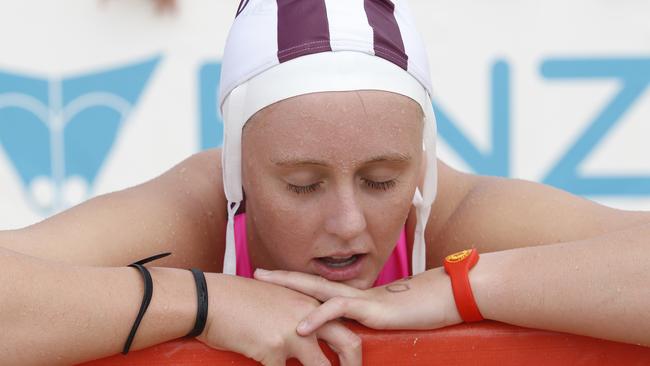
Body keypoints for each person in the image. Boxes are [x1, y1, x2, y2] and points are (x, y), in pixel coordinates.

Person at [1, 1, 649, 365]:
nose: (347, 223)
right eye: (304, 185)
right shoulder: (197, 214)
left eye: (381, 179)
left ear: (420, 163)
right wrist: (202, 300)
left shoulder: (452, 216)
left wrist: (461, 288)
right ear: (238, 171)